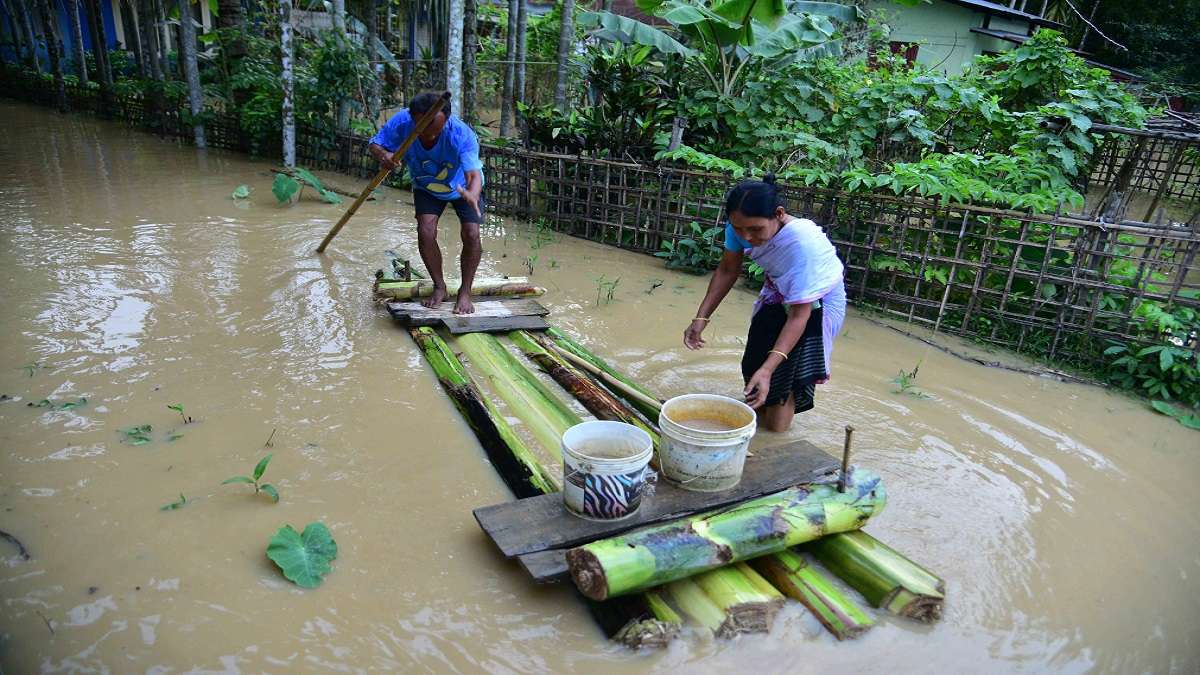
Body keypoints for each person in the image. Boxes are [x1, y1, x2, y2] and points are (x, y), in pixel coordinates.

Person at [684, 175, 846, 432]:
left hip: (816, 304)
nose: (746, 237)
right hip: (777, 292)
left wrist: (770, 369)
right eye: (739, 229)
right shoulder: (739, 227)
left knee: (783, 383)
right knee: (753, 364)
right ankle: (757, 412)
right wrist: (701, 317)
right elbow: (728, 270)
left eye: (755, 229)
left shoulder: (802, 246)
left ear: (779, 214)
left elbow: (798, 316)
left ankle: (775, 433)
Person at [368, 92, 485, 314]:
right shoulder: (402, 122)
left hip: (463, 188)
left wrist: (472, 193)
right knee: (426, 232)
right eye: (422, 126)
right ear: (412, 117)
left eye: (435, 128)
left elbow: (473, 173)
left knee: (471, 234)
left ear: (447, 120)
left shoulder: (461, 134)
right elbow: (375, 144)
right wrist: (384, 156)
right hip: (426, 186)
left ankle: (465, 291)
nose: (429, 134)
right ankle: (439, 286)